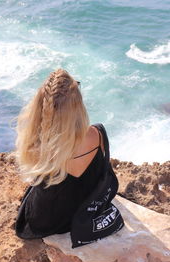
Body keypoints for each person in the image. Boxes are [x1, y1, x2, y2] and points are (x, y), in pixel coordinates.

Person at [14, 69, 123, 244]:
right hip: (85, 210)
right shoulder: (96, 134)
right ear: (77, 105)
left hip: (47, 219)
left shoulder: (37, 143)